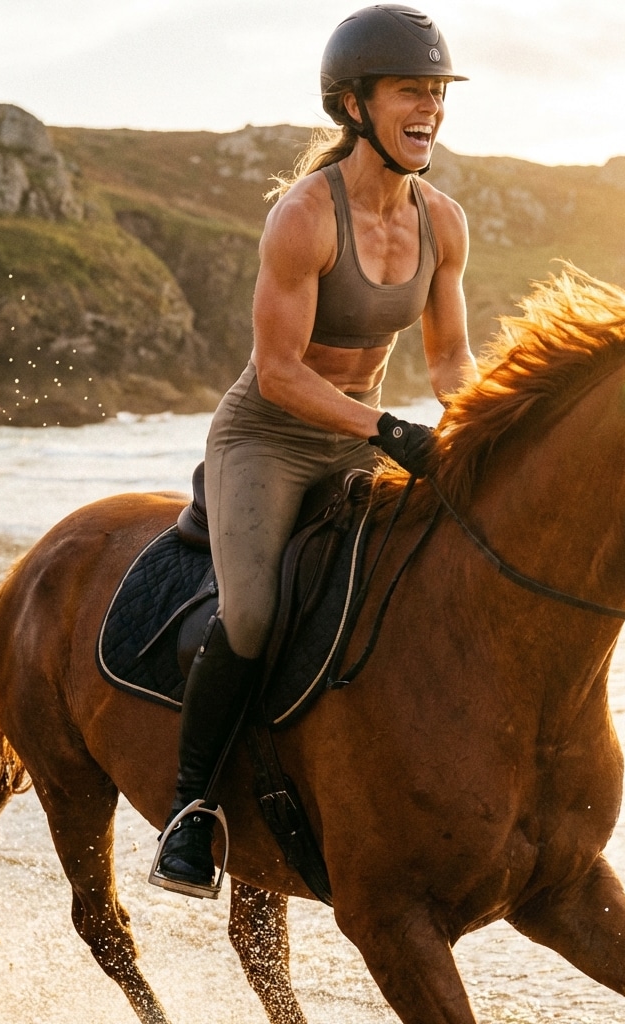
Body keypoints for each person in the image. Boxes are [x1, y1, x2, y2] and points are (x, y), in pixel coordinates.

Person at [151, 3, 478, 897]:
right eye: (411, 90)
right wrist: (387, 431)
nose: (431, 107)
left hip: (359, 432)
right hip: (270, 435)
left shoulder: (443, 221)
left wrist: (481, 424)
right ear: (353, 105)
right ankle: (191, 810)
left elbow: (450, 358)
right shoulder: (304, 216)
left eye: (438, 92)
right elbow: (279, 370)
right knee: (254, 614)